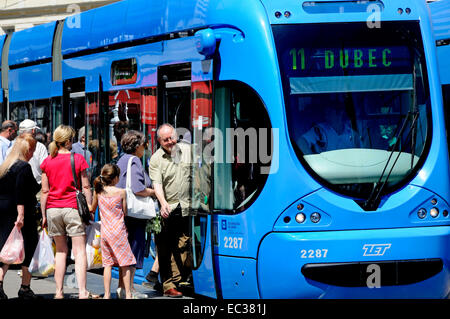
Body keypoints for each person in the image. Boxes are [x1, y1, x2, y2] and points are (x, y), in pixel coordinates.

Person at [40, 125, 96, 299]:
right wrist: (89, 207)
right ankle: (82, 291)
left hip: (53, 209)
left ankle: (58, 292)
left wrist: (43, 215)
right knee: (79, 251)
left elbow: (44, 191)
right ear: (68, 141)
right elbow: (86, 186)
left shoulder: (48, 161)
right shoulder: (78, 159)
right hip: (73, 208)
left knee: (61, 251)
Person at [149, 123, 193, 298]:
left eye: (172, 137)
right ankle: (169, 285)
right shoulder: (155, 159)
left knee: (185, 243)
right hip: (168, 208)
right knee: (165, 247)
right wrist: (163, 202)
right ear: (159, 141)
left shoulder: (188, 151)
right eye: (165, 139)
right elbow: (157, 184)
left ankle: (179, 278)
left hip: (188, 206)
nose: (170, 142)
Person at [0, 134, 40, 299]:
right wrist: (21, 215)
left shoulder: (6, 166)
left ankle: (0, 284)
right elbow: (21, 192)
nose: (33, 154)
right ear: (27, 149)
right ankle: (25, 287)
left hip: (3, 209)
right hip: (21, 213)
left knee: (6, 248)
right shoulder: (23, 167)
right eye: (32, 150)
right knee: (30, 246)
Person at [115, 130, 155, 299]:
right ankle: (129, 289)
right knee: (134, 249)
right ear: (137, 146)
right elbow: (138, 188)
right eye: (144, 145)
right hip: (134, 214)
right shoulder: (135, 161)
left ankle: (122, 287)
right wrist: (154, 192)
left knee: (126, 251)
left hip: (122, 211)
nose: (144, 148)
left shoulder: (121, 160)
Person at [89, 164, 135, 299]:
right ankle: (128, 294)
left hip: (105, 232)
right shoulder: (121, 192)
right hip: (119, 232)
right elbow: (125, 211)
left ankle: (107, 295)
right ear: (115, 178)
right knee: (125, 263)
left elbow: (92, 208)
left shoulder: (98, 192)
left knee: (107, 264)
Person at [296, 104, 364, 154]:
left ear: (340, 113)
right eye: (325, 113)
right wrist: (311, 158)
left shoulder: (352, 134)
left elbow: (362, 153)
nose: (326, 115)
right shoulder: (320, 130)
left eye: (329, 112)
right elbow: (301, 141)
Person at [17, 119, 49, 185]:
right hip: (37, 186)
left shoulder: (12, 145)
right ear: (33, 130)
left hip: (15, 187)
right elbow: (45, 168)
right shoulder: (40, 147)